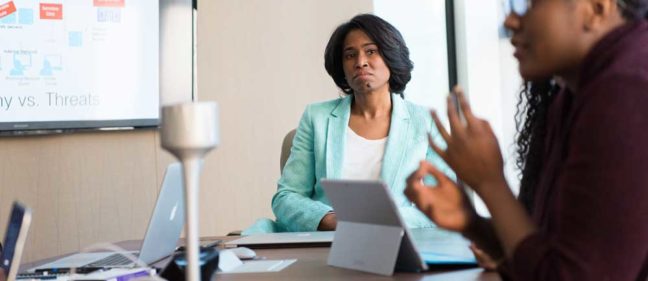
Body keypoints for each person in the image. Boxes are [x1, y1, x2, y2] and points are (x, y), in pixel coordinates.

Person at [405, 0, 648, 280]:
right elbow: (550, 260)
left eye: (529, 4)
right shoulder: (572, 94)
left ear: (596, 8)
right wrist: (473, 224)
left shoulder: (626, 90)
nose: (510, 22)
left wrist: (490, 183)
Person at [244, 14, 451, 234]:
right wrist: (330, 220)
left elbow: (442, 205)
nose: (360, 62)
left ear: (391, 56)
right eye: (350, 55)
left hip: (395, 239)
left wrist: (380, 220)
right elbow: (286, 197)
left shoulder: (426, 122)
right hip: (326, 241)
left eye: (371, 51)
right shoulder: (317, 117)